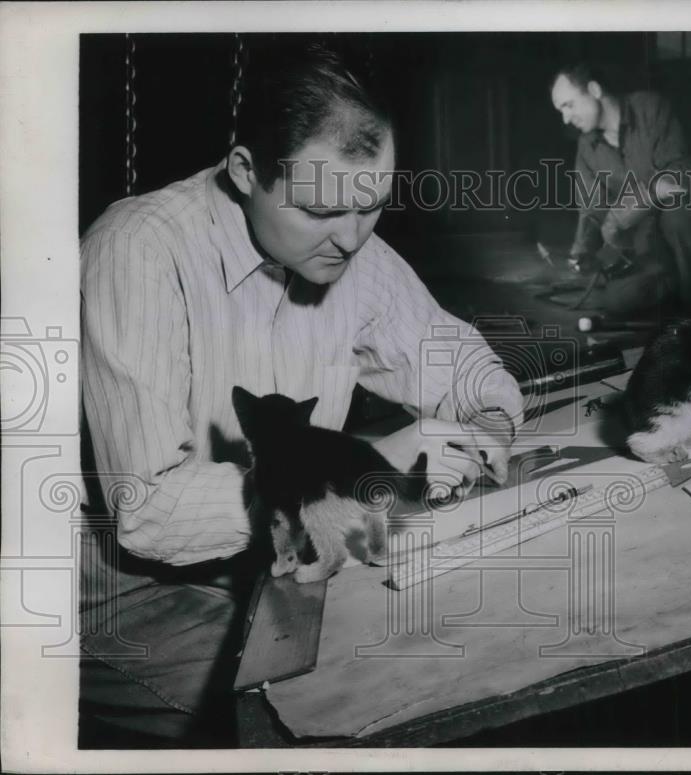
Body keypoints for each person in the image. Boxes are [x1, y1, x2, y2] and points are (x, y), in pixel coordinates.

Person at [78, 41, 523, 747]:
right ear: (247, 171)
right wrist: (351, 469)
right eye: (320, 210)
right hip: (125, 589)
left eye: (372, 206)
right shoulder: (138, 251)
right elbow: (146, 509)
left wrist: (489, 425)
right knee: (326, 715)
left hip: (278, 561)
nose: (350, 240)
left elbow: (459, 358)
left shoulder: (352, 251)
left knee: (460, 643)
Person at [550, 63, 691, 311]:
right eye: (560, 110)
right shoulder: (586, 145)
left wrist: (631, 206)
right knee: (616, 301)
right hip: (647, 234)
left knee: (678, 214)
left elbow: (683, 171)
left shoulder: (651, 108)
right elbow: (592, 208)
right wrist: (582, 252)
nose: (566, 118)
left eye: (568, 105)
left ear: (594, 89)